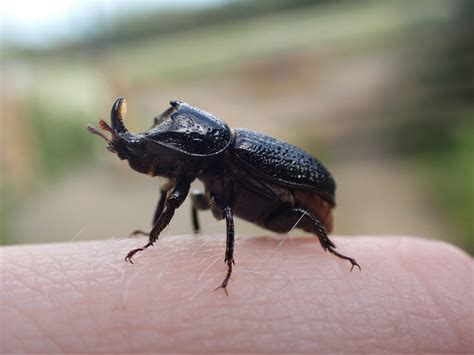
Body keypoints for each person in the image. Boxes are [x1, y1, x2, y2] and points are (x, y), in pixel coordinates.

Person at [1, 235, 472, 353]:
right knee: (188, 197)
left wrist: (226, 266)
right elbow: (174, 193)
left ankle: (233, 261)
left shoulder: (230, 152)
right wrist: (153, 239)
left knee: (232, 210)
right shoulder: (196, 168)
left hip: (295, 198)